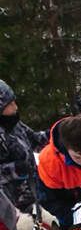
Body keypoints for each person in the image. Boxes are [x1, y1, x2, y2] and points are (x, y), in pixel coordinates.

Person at [0, 79, 48, 213]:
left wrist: (56, 134)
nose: (16, 107)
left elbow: (35, 140)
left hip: (35, 193)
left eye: (14, 101)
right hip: (12, 206)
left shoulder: (13, 123)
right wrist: (16, 168)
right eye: (10, 104)